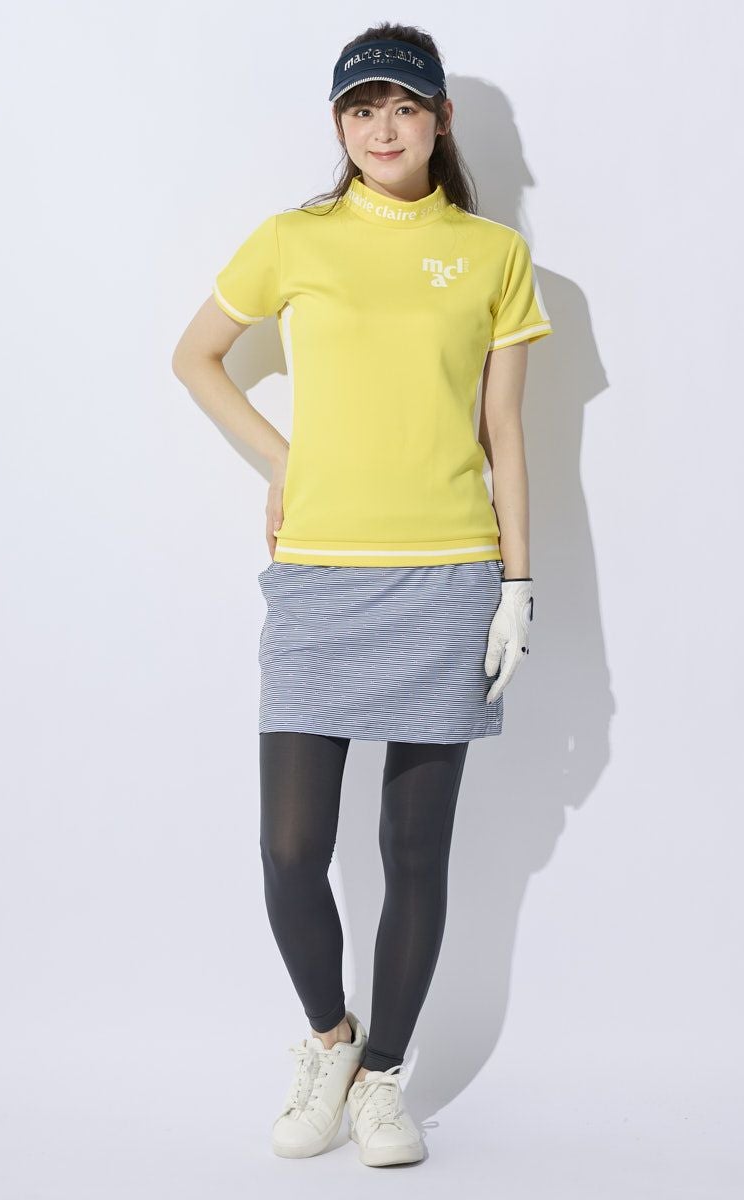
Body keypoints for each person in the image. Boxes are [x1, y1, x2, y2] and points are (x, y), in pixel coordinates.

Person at [171, 22, 552, 1168]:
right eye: (361, 108)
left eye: (403, 107)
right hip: (320, 576)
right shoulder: (293, 239)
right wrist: (283, 461)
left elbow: (503, 429)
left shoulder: (490, 254)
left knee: (413, 852)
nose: (382, 129)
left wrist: (518, 583)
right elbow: (195, 356)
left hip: (448, 576)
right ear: (338, 124)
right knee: (289, 851)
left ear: (439, 121)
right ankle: (330, 1041)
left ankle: (385, 1080)